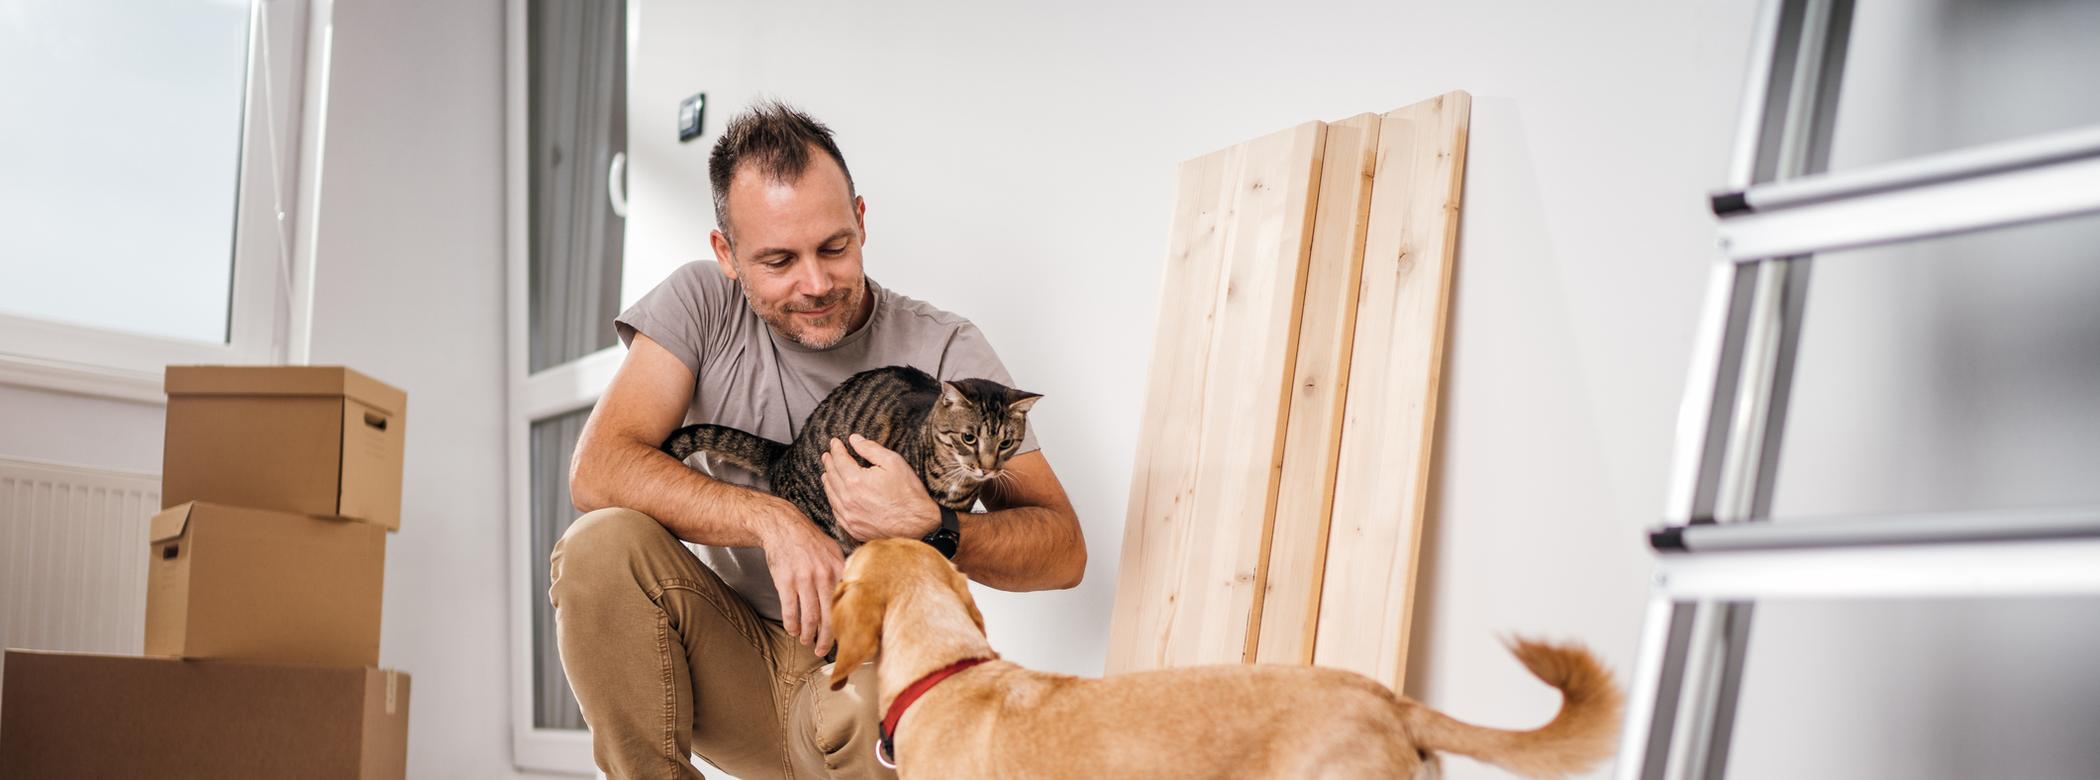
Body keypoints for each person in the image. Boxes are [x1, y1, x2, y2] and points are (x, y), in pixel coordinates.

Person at [549, 100, 1085, 779]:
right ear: (727, 256)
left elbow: (1065, 550)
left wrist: (938, 526)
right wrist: (774, 521)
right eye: (778, 260)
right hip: (728, 661)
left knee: (877, 702)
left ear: (861, 220)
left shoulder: (945, 347)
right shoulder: (698, 304)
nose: (817, 283)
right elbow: (597, 470)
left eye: (835, 247)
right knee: (601, 545)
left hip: (860, 679)